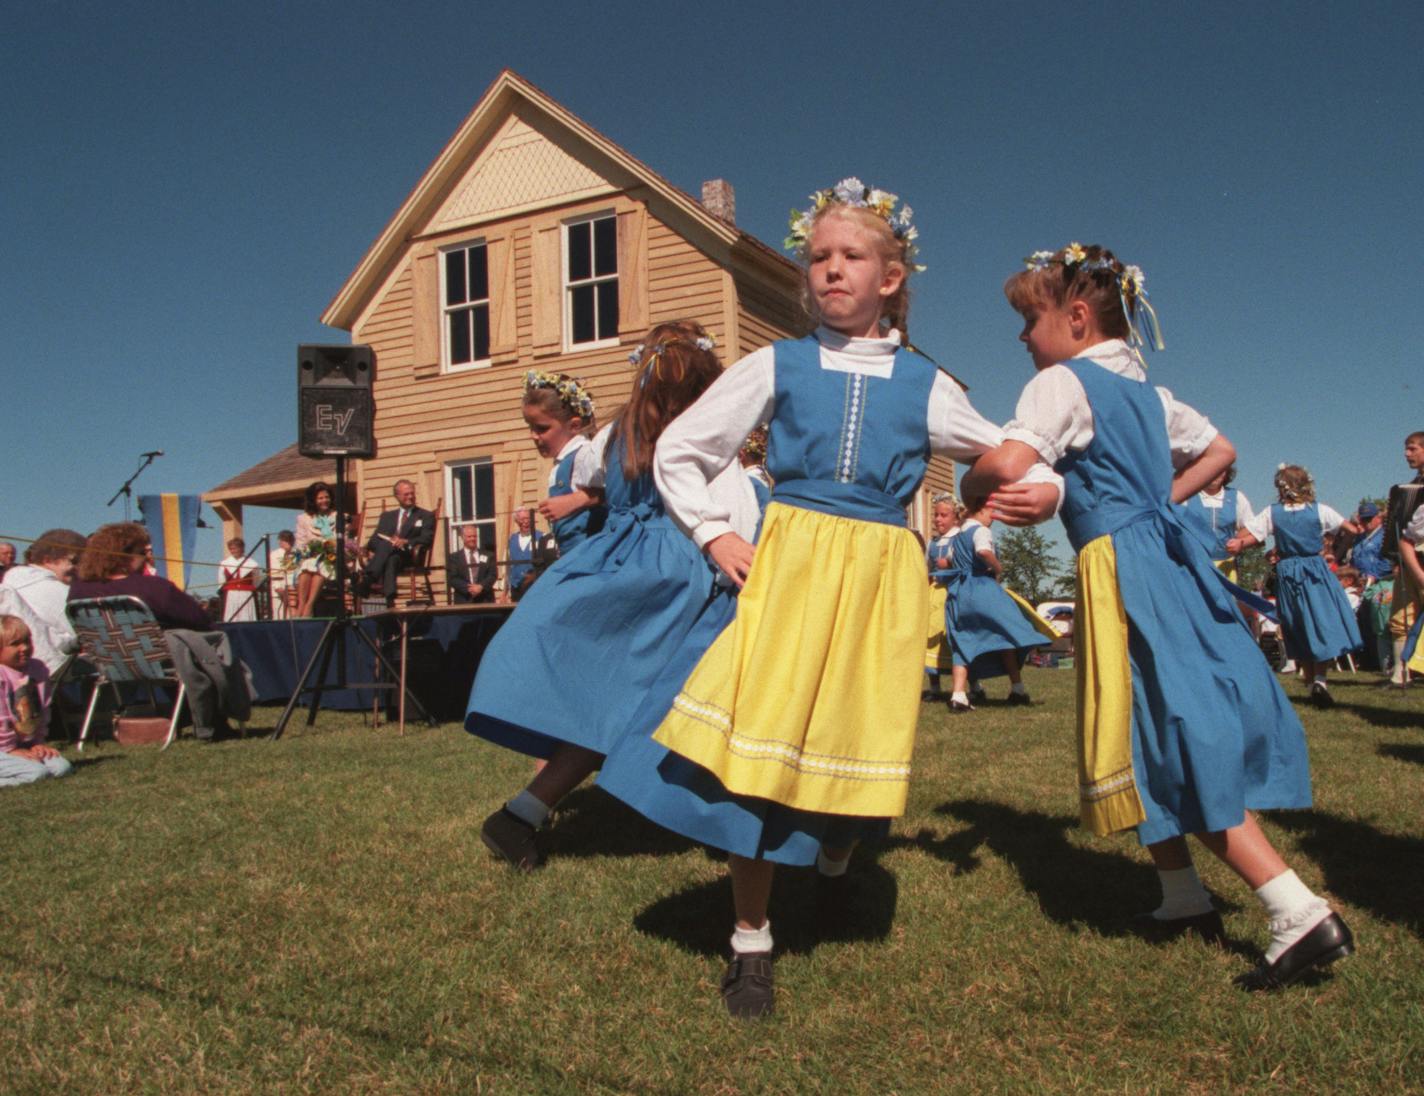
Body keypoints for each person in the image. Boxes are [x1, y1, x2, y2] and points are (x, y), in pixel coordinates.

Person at [609, 180, 1061, 1018]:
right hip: (793, 563)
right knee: (760, 751)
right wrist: (714, 532)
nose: (830, 270)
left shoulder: (925, 384)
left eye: (851, 256)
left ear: (891, 277)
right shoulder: (773, 365)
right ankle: (750, 939)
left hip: (881, 577)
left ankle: (834, 861)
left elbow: (1013, 451)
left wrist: (1051, 493)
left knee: (857, 741)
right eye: (818, 257)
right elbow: (681, 450)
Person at [963, 241, 1353, 993]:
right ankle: (1182, 893)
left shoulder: (1060, 385)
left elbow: (1010, 466)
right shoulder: (1152, 397)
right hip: (1167, 559)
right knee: (1154, 719)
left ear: (1076, 318)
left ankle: (1295, 909)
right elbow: (1222, 449)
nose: (1022, 338)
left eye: (1028, 320)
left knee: (1167, 728)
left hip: (1122, 569)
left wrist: (970, 470)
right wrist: (1161, 504)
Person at [466, 321, 758, 870]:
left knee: (610, 700)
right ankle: (716, 818)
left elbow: (597, 478)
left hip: (618, 562)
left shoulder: (615, 433)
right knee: (701, 697)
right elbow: (732, 514)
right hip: (681, 572)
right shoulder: (700, 439)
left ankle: (521, 814)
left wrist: (590, 501)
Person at [69, 523, 253, 742]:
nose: (147, 558)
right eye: (142, 553)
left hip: (110, 660)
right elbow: (199, 619)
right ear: (123, 555)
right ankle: (214, 720)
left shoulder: (78, 590)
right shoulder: (153, 587)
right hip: (159, 661)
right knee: (201, 645)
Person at [1228, 465, 1363, 706]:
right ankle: (1319, 680)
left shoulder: (1273, 512)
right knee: (1320, 621)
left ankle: (1312, 682)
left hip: (1289, 570)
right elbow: (1351, 529)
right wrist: (1334, 551)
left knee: (1297, 624)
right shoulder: (1320, 510)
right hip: (1315, 569)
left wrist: (1240, 544)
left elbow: (1251, 534)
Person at [941, 496, 1054, 712]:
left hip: (960, 592)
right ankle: (1018, 689)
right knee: (1009, 632)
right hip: (983, 588)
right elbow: (983, 552)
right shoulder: (981, 531)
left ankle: (958, 695)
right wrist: (998, 567)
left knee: (962, 640)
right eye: (991, 512)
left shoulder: (957, 536)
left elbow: (947, 561)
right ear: (981, 510)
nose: (993, 518)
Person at [522, 371, 607, 554]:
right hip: (571, 555)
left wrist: (577, 499)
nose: (533, 435)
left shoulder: (585, 454)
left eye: (542, 428)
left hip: (590, 555)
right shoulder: (563, 461)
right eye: (531, 427)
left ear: (574, 426)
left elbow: (617, 490)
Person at [0, 529, 86, 674]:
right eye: (74, 561)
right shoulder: (60, 592)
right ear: (47, 560)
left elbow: (48, 635)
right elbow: (84, 634)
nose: (80, 568)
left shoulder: (10, 582)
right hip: (50, 674)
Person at [0, 616, 71, 786]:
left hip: (20, 744)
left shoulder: (37, 669)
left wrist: (37, 744)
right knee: (36, 773)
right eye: (15, 644)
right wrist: (11, 750)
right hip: (3, 747)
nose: (24, 648)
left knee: (61, 768)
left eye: (27, 641)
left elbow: (42, 709)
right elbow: (1, 721)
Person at [1383, 432, 1424, 687]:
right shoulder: (1409, 487)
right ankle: (1402, 671)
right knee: (1402, 614)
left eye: (1412, 449)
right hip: (1409, 556)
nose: (1407, 454)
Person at [360, 479, 436, 607]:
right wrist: (383, 549)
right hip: (391, 557)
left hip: (410, 555)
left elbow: (427, 538)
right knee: (390, 555)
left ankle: (368, 579)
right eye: (406, 494)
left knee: (387, 546)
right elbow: (373, 541)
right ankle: (390, 598)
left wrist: (406, 541)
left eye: (412, 493)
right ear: (397, 496)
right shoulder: (387, 516)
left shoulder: (425, 515)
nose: (411, 497)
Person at [1180, 464, 1253, 579]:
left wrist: (1240, 542)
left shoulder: (1237, 497)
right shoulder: (1187, 496)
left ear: (1226, 473)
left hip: (1226, 566)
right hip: (1193, 565)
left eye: (1220, 470)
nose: (1215, 474)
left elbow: (1252, 529)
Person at [923, 493, 959, 698]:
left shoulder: (960, 539)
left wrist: (952, 563)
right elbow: (927, 570)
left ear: (955, 517)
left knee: (956, 636)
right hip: (935, 594)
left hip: (954, 591)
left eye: (943, 515)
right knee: (931, 636)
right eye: (936, 515)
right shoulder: (933, 543)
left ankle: (970, 684)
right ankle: (934, 686)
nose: (938, 519)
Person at [293, 482, 338, 618]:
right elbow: (300, 542)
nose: (324, 500)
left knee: (321, 563)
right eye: (320, 498)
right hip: (310, 555)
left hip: (331, 556)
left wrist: (329, 547)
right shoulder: (304, 518)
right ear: (313, 500)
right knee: (307, 565)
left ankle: (309, 605)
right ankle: (301, 604)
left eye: (326, 497)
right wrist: (308, 550)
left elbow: (342, 539)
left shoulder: (338, 516)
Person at [448, 525, 496, 604]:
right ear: (463, 537)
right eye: (469, 536)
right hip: (464, 600)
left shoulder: (488, 555)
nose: (472, 539)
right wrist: (470, 589)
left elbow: (492, 575)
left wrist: (481, 586)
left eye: (474, 536)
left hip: (485, 600)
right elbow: (453, 578)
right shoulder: (454, 558)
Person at [218, 538, 261, 623]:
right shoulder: (224, 563)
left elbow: (256, 581)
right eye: (231, 549)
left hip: (246, 593)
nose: (233, 551)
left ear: (241, 548)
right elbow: (221, 580)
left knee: (246, 616)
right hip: (231, 594)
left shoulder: (252, 563)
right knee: (231, 616)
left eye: (235, 548)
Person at [504, 509, 536, 601]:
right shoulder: (512, 540)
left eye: (528, 519)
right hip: (516, 589)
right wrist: (504, 592)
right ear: (517, 521)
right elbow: (508, 567)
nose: (526, 522)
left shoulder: (541, 537)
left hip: (534, 586)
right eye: (522, 519)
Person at [267, 530, 296, 621]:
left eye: (288, 540)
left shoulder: (297, 553)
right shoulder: (275, 554)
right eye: (283, 540)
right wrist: (279, 588)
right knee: (279, 617)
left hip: (294, 590)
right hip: (280, 590)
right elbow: (275, 572)